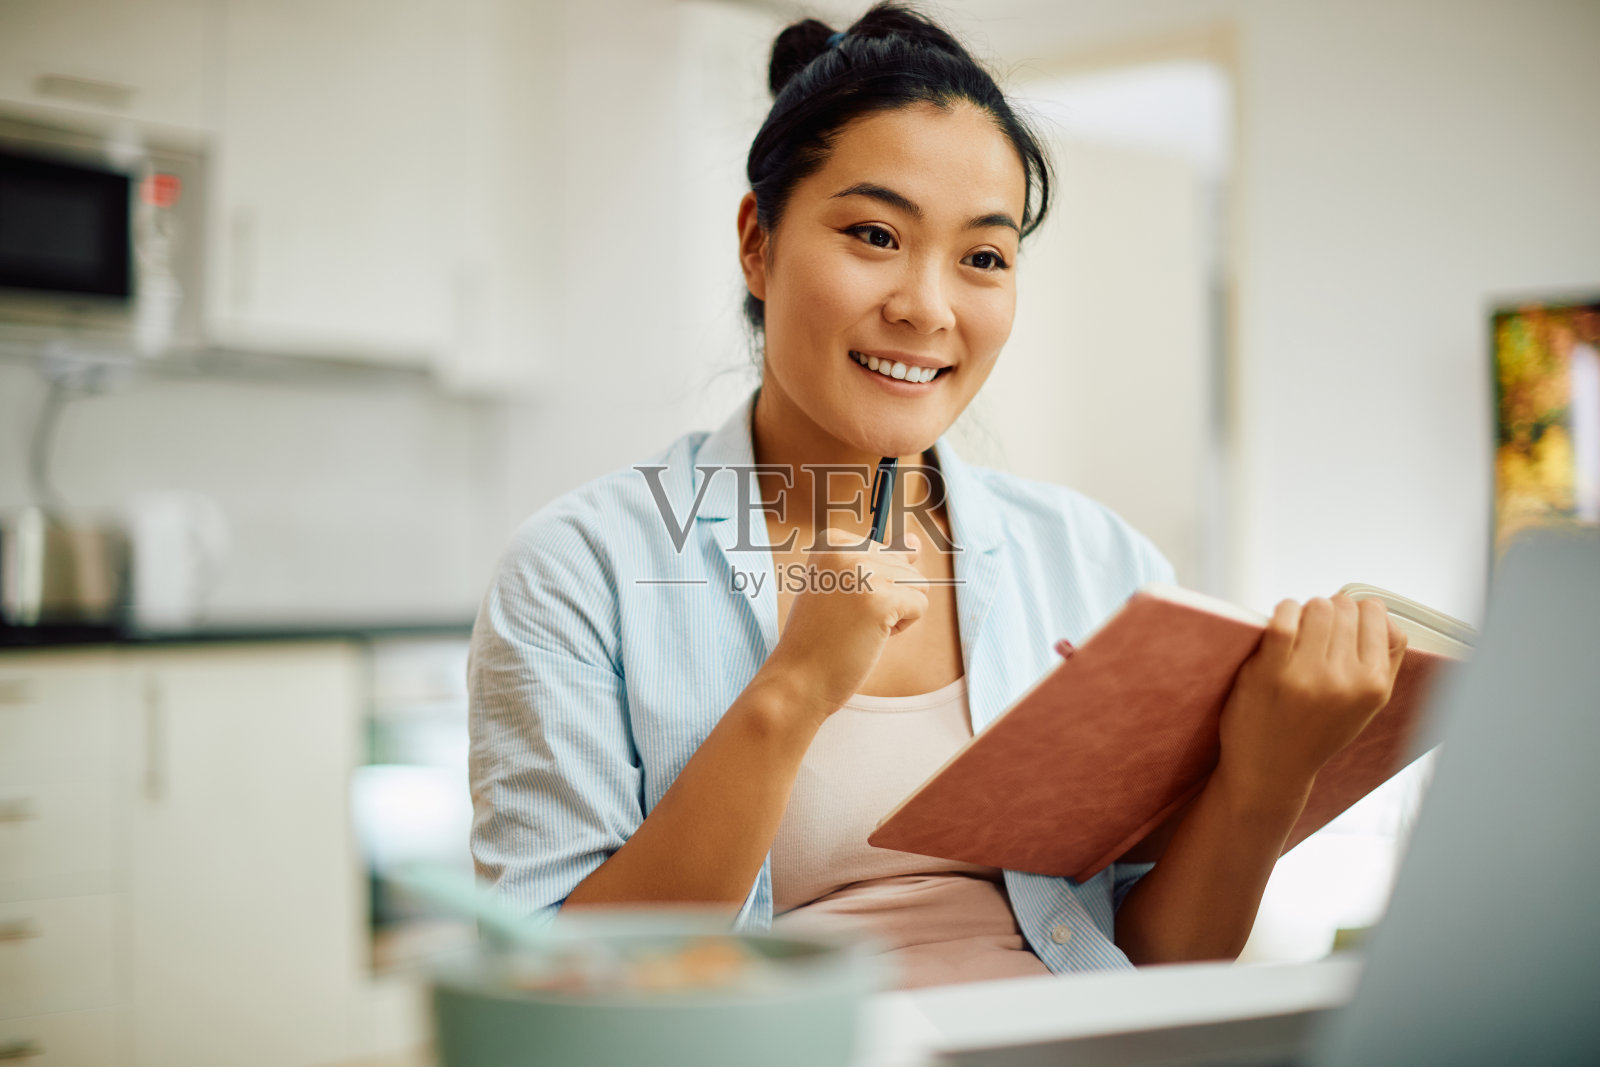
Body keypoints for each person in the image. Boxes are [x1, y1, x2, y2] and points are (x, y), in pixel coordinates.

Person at [467, 2, 1408, 990]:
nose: (927, 305)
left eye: (983, 258)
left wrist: (1264, 778)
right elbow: (557, 987)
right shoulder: (581, 568)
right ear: (758, 241)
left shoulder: (1102, 563)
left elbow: (1154, 965)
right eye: (875, 233)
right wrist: (790, 692)